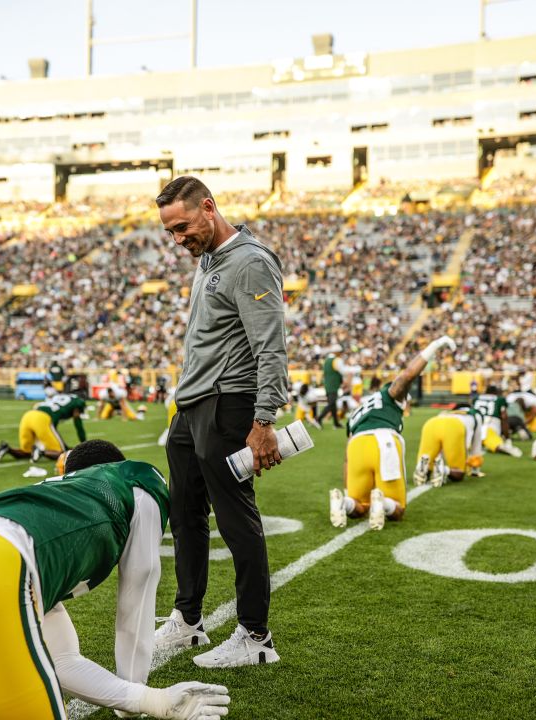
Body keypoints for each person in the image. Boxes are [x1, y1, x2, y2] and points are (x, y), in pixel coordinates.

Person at [0, 439, 232, 720]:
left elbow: (61, 662)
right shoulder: (134, 481)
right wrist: (135, 691)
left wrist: (151, 701)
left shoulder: (46, 498)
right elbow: (140, 586)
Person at [153, 176, 290, 668]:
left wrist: (264, 419)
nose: (178, 239)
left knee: (236, 519)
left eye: (183, 227)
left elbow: (270, 344)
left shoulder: (250, 261)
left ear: (208, 208)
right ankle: (188, 621)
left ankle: (255, 636)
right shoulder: (210, 259)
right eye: (170, 231)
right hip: (192, 408)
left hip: (228, 404)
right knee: (184, 515)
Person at [329, 336, 455, 531]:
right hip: (383, 440)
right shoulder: (388, 396)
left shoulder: (357, 412)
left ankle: (343, 503)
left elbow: (346, 458)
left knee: (359, 504)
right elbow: (407, 375)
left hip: (356, 446)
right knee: (398, 508)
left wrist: (347, 486)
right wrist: (434, 346)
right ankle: (384, 503)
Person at [0, 391, 88, 464]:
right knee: (62, 453)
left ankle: (7, 448)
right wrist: (84, 442)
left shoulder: (60, 397)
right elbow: (78, 423)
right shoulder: (77, 402)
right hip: (42, 419)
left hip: (28, 415)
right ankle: (40, 451)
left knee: (27, 452)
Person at [315, 347, 359, 429]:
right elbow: (343, 371)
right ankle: (318, 419)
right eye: (340, 352)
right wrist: (351, 371)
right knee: (331, 403)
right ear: (336, 352)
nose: (341, 354)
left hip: (328, 385)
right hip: (333, 386)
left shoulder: (327, 360)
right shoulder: (336, 360)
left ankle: (336, 423)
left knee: (333, 405)